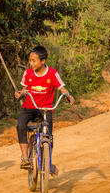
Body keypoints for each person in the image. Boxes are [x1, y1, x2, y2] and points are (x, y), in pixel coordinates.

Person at [15, 46, 75, 175]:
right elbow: (25, 89)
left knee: (48, 135)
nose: (31, 63)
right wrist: (20, 93)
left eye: (34, 61)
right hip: (29, 106)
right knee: (21, 125)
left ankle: (48, 163)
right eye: (30, 60)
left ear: (43, 61)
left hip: (45, 109)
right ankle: (25, 157)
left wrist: (68, 96)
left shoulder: (53, 73)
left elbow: (62, 88)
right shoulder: (28, 73)